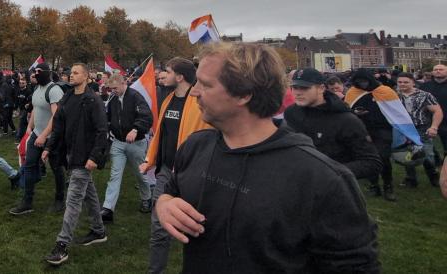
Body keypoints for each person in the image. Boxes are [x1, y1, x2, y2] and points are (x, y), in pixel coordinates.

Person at [155, 43, 379, 273]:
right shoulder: (195, 146)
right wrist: (165, 205)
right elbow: (170, 191)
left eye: (205, 84)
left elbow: (356, 266)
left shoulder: (321, 179)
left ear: (243, 94)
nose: (194, 92)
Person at [139, 57, 210, 274]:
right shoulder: (168, 100)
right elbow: (161, 135)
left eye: (167, 71)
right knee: (159, 227)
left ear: (179, 77)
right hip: (166, 173)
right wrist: (150, 160)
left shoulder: (200, 104)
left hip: (193, 173)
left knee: (196, 227)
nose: (163, 74)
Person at [42, 63, 109, 266]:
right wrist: (49, 147)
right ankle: (99, 231)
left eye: (76, 72)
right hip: (70, 155)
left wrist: (94, 157)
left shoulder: (93, 100)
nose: (71, 75)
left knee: (73, 200)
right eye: (70, 72)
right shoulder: (68, 97)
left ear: (87, 77)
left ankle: (62, 246)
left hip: (84, 157)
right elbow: (59, 125)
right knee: (89, 193)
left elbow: (101, 131)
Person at [284, 68, 382, 180]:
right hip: (299, 184)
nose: (298, 92)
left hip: (334, 187)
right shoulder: (291, 113)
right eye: (295, 87)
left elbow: (372, 162)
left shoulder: (346, 120)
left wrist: (330, 172)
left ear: (321, 88)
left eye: (305, 88)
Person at [9, 63, 66, 215]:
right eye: (34, 72)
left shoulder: (54, 90)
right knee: (29, 165)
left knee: (56, 168)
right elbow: (35, 108)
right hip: (37, 133)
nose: (35, 74)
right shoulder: (37, 88)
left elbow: (57, 116)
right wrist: (30, 126)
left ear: (47, 73)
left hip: (52, 137)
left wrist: (44, 135)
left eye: (38, 72)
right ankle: (27, 202)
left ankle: (60, 200)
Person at [100, 73, 153, 223]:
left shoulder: (136, 97)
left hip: (136, 143)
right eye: (111, 89)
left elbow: (147, 117)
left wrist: (136, 129)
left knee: (140, 174)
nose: (113, 91)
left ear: (124, 83)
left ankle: (146, 198)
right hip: (118, 142)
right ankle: (108, 208)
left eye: (115, 88)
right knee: (114, 175)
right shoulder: (113, 99)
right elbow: (108, 117)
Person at [346, 68, 402, 201]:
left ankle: (388, 186)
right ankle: (374, 185)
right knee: (369, 158)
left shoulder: (386, 91)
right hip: (362, 129)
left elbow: (397, 111)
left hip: (383, 129)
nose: (363, 85)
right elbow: (346, 111)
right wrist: (355, 113)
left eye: (364, 81)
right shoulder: (353, 92)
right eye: (359, 82)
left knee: (383, 157)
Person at [396, 72, 442, 187]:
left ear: (413, 82)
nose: (402, 84)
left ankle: (434, 177)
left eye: (406, 82)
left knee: (427, 155)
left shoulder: (425, 95)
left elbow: (437, 111)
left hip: (422, 129)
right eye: (400, 82)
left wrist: (434, 127)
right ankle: (411, 179)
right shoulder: (394, 96)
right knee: (407, 155)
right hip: (402, 130)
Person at [421, 64, 447, 159]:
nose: (438, 71)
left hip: (446, 120)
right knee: (428, 143)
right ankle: (435, 160)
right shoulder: (425, 86)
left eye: (441, 69)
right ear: (432, 72)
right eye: (436, 69)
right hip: (428, 120)